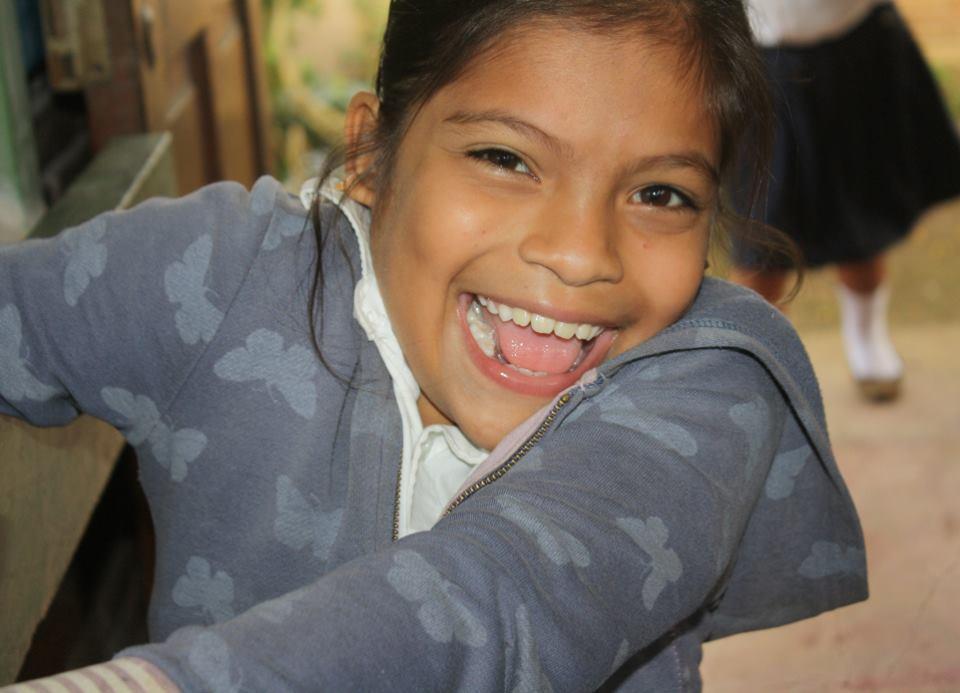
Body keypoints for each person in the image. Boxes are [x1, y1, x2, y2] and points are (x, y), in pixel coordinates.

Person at [0, 1, 867, 690]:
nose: (580, 254)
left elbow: (501, 601)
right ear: (371, 153)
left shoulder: (709, 385)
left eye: (661, 194)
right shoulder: (218, 277)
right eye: (505, 157)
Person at [733, 0, 960, 401]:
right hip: (759, 58)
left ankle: (866, 338)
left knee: (861, 220)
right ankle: (758, 361)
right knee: (761, 239)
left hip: (855, 47)